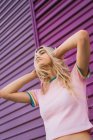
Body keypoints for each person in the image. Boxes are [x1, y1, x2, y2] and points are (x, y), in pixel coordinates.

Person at [0, 30, 93, 140]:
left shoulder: (75, 77)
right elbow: (4, 93)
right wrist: (32, 75)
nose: (38, 56)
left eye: (42, 52)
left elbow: (82, 36)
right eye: (36, 57)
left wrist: (55, 55)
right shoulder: (39, 94)